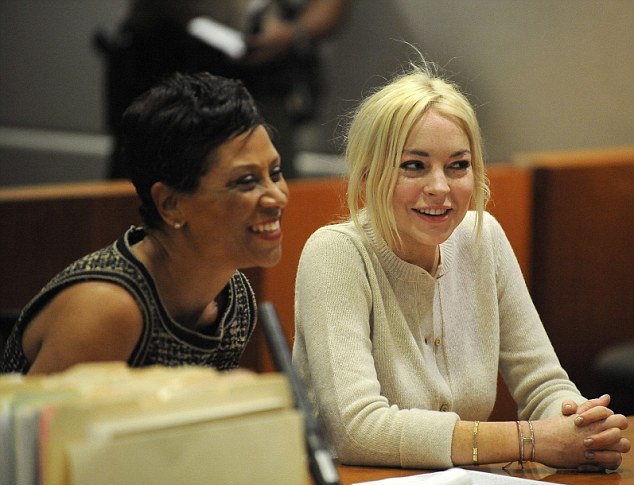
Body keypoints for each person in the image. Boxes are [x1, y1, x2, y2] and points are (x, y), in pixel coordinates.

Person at [292, 61, 630, 471]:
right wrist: (531, 440)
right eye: (414, 165)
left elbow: (543, 384)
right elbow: (356, 429)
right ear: (367, 175)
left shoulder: (482, 237)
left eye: (458, 165)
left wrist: (583, 430)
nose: (440, 187)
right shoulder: (335, 254)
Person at [1, 72, 289, 375]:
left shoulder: (236, 298)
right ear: (171, 204)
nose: (278, 197)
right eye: (246, 181)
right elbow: (42, 410)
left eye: (275, 173)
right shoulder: (108, 308)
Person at [95, 0, 348, 180]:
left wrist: (292, 34)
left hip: (261, 80)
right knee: (148, 191)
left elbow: (329, 8)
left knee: (265, 187)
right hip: (165, 69)